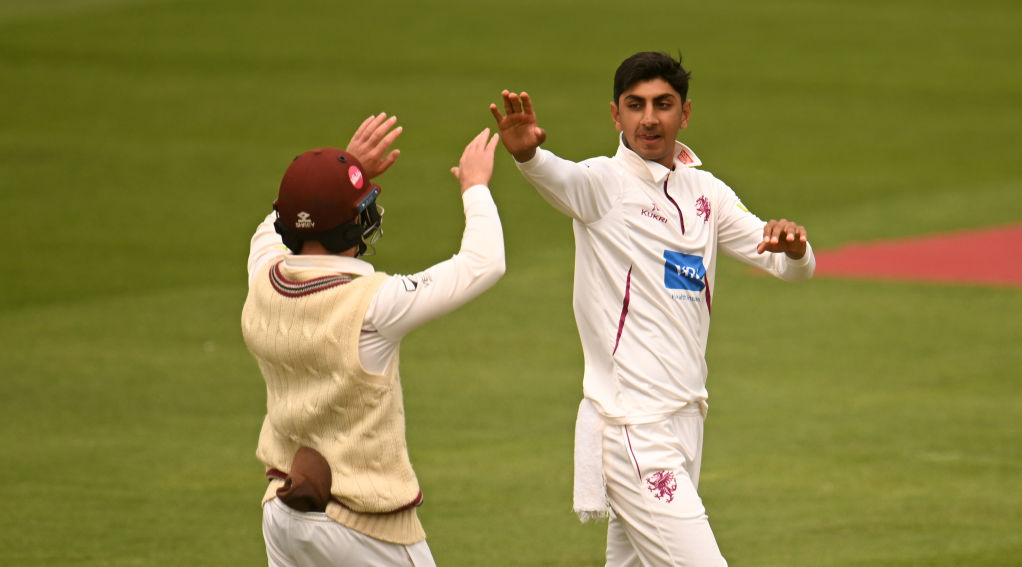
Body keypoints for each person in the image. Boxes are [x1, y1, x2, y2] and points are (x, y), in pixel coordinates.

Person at [489, 51, 815, 566]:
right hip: (633, 430)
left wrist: (795, 248)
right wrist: (528, 156)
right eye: (634, 105)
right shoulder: (602, 185)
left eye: (663, 104)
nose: (649, 118)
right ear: (615, 115)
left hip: (688, 419)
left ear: (684, 114)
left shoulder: (707, 193)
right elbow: (560, 177)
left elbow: (789, 266)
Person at [241, 114, 504, 566]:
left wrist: (340, 173)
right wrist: (475, 187)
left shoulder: (262, 273)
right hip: (365, 529)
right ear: (353, 228)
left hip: (282, 513)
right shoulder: (375, 305)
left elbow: (276, 226)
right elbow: (484, 263)